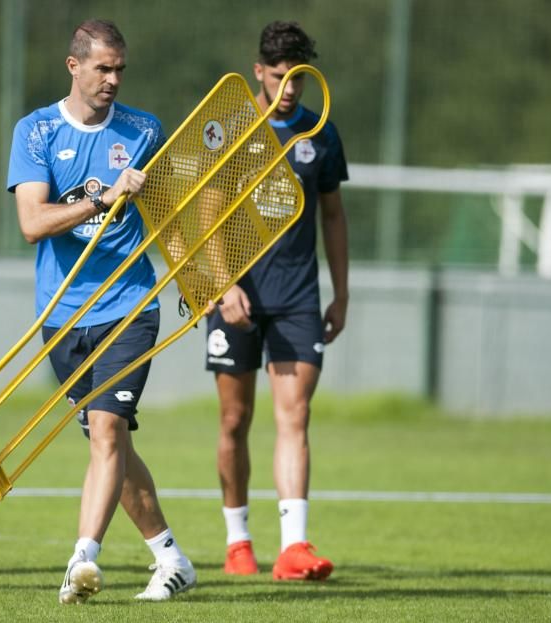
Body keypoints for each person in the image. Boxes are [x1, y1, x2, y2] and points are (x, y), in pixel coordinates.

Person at [7, 19, 196, 604]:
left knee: (109, 429)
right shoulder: (35, 131)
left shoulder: (145, 130)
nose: (113, 79)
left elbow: (168, 215)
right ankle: (171, 557)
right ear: (74, 66)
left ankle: (81, 560)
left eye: (120, 70)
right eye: (102, 69)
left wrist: (195, 275)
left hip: (128, 302)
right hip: (62, 313)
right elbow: (33, 224)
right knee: (105, 443)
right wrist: (102, 196)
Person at [205, 20, 349, 580]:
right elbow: (208, 213)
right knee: (234, 419)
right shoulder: (230, 129)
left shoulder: (321, 133)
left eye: (300, 79)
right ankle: (238, 539)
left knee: (296, 416)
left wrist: (342, 293)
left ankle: (294, 547)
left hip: (297, 297)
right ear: (259, 72)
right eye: (281, 77)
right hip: (236, 297)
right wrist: (223, 285)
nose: (290, 89)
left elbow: (334, 218)